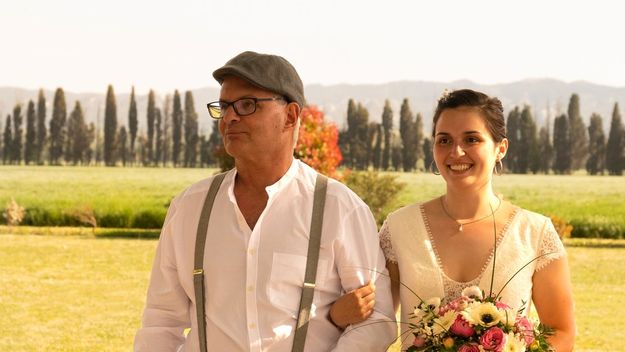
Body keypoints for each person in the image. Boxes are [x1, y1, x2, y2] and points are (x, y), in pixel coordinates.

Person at [134, 50, 396, 352]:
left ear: (290, 116)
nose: (230, 117)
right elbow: (161, 321)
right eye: (224, 106)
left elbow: (377, 320)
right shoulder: (188, 208)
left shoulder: (340, 209)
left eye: (247, 105)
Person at [333, 89, 576, 351]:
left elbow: (561, 332)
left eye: (471, 139)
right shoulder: (400, 227)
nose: (456, 152)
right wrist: (335, 314)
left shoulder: (535, 233)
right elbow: (373, 320)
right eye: (444, 140)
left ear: (500, 148)